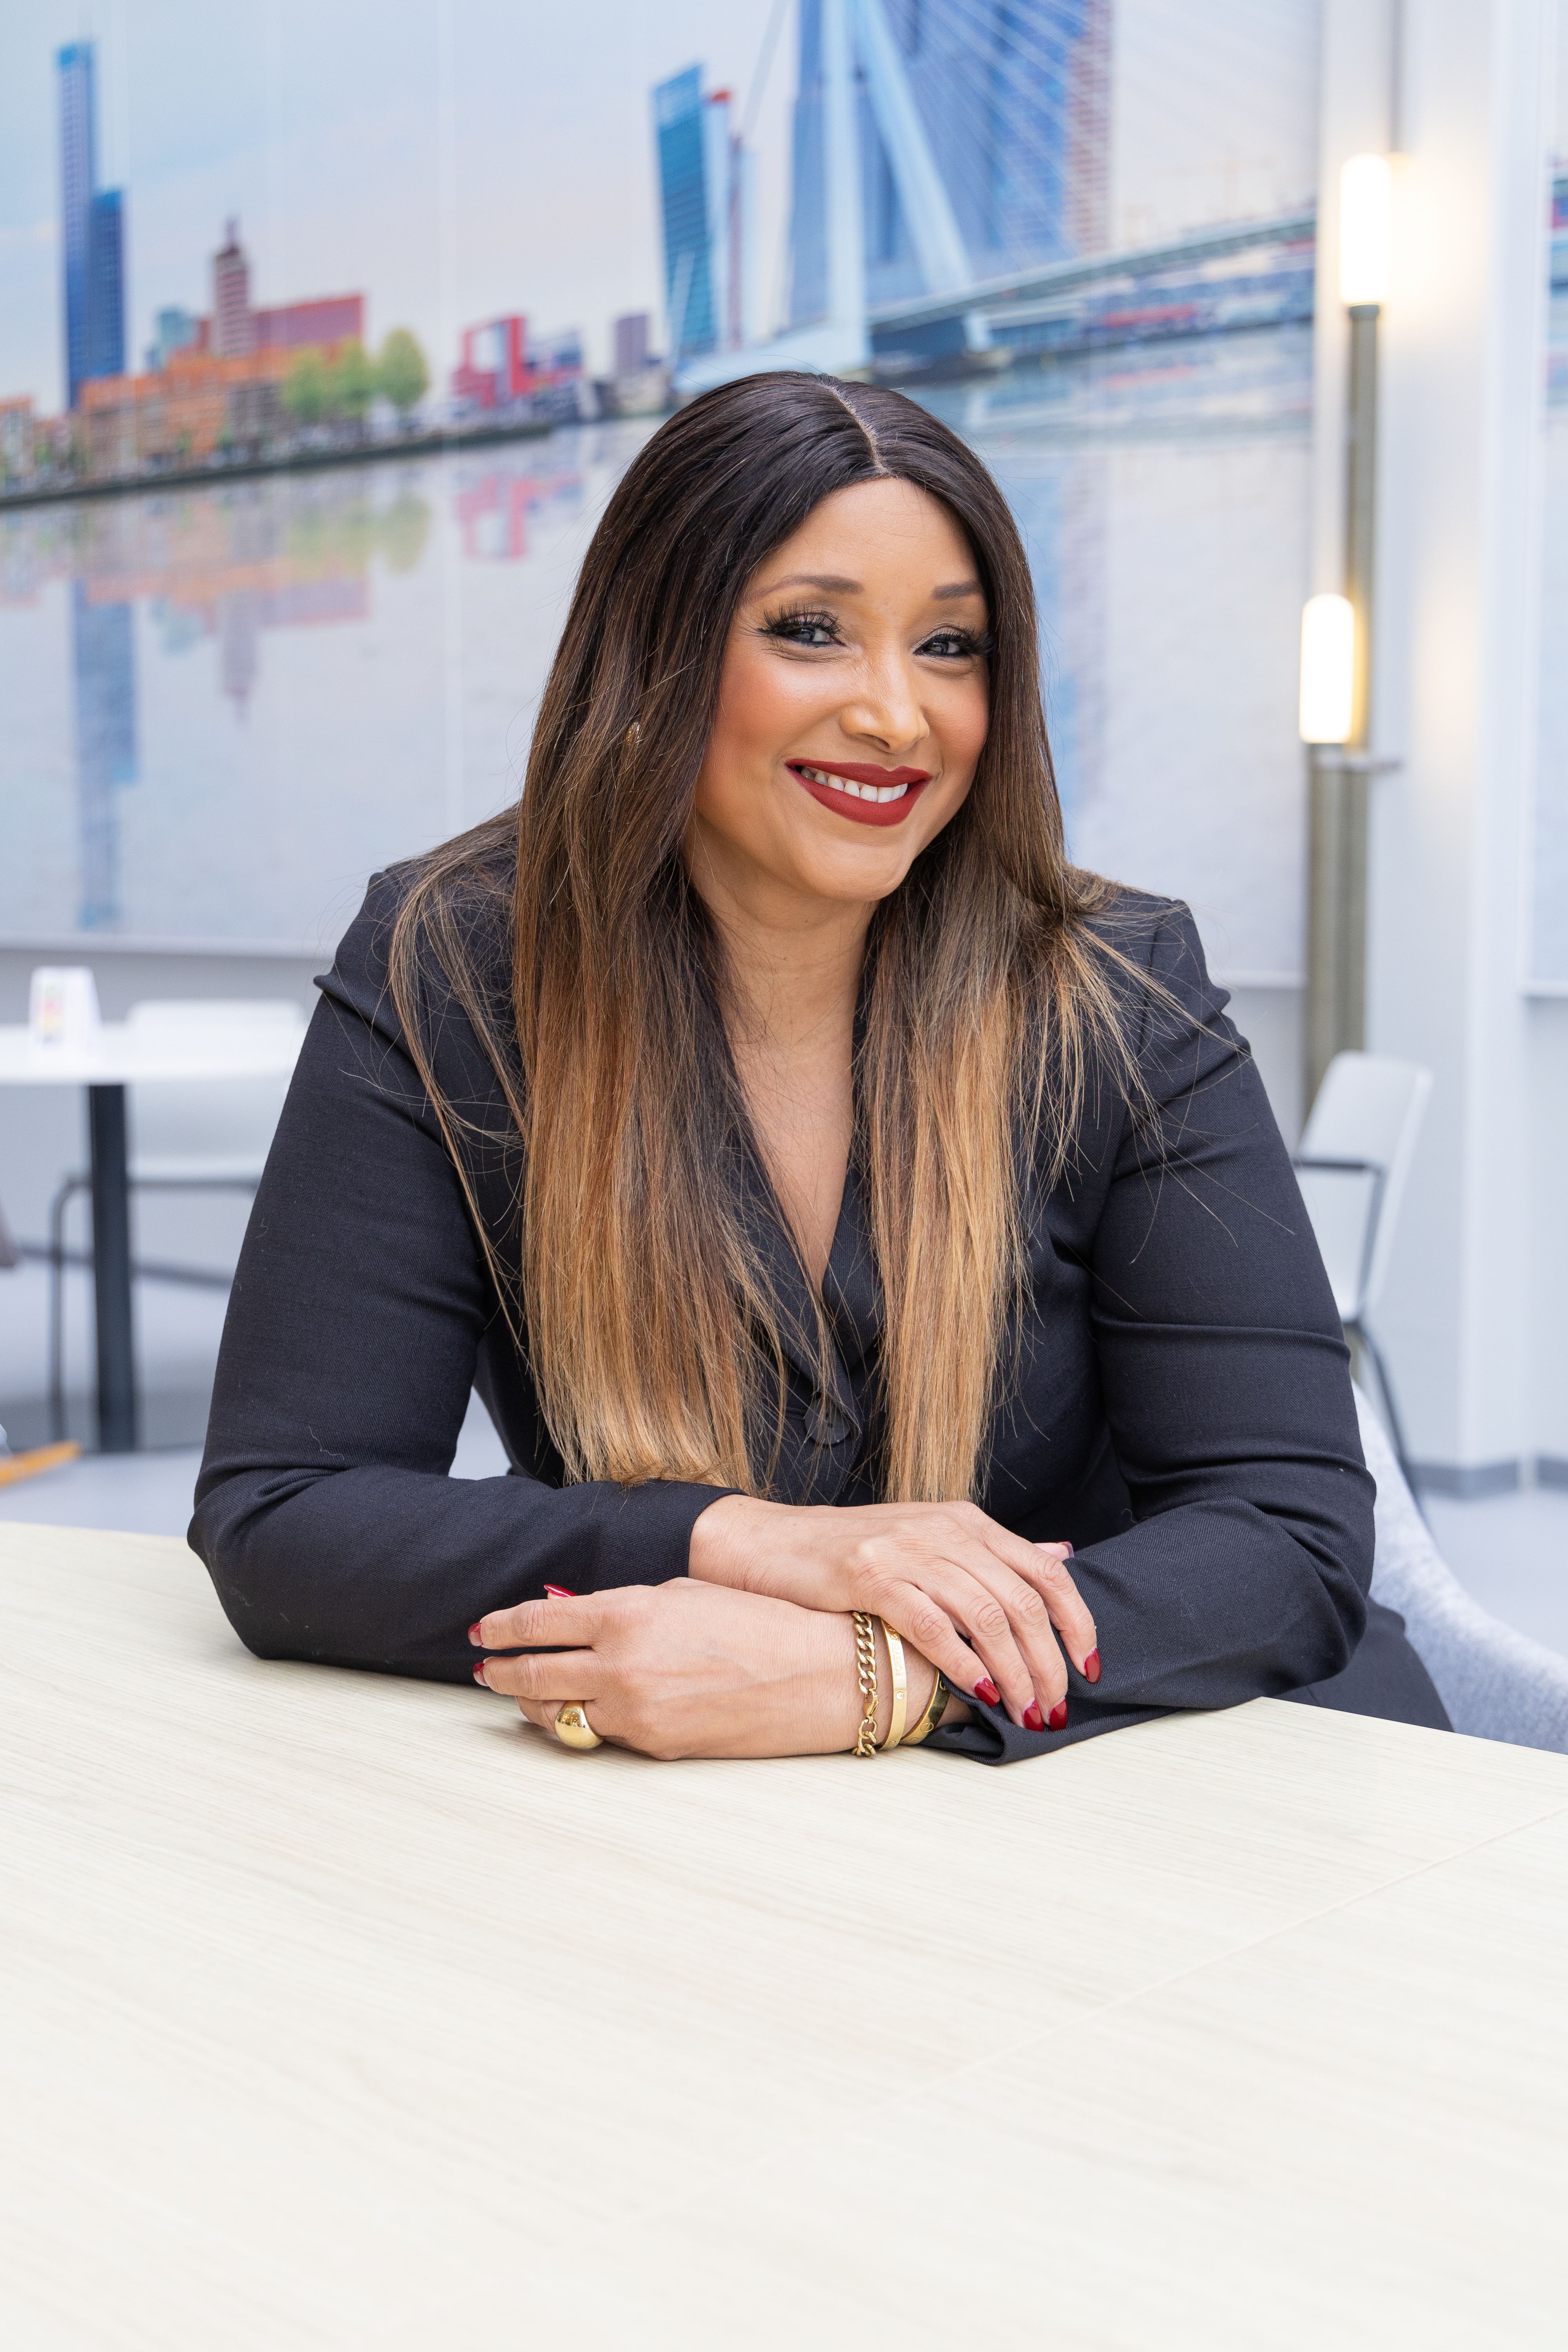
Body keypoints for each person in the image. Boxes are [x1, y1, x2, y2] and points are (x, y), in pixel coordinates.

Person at [191, 373, 1448, 1763]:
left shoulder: (1120, 995)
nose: (899, 717)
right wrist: (744, 1543)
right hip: (742, 1839)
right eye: (812, 632)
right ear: (656, 650)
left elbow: (1289, 1537)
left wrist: (889, 1678)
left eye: (952, 647)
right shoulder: (455, 971)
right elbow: (284, 1514)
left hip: (1182, 1776)